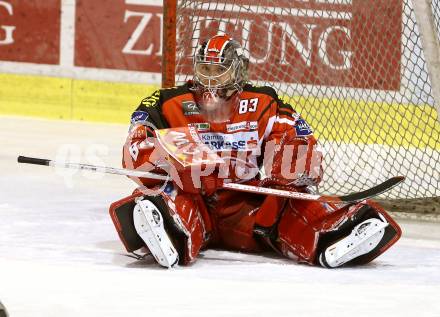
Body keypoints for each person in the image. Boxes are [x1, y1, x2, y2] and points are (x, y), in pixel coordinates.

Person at [109, 34, 401, 268]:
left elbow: (297, 138)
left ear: (237, 71)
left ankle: (333, 235)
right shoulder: (167, 101)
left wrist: (289, 173)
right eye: (206, 69)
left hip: (247, 205)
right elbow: (135, 149)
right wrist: (175, 165)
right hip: (194, 198)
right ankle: (166, 232)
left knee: (289, 205)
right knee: (164, 199)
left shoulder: (263, 101)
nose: (211, 78)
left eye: (219, 71)